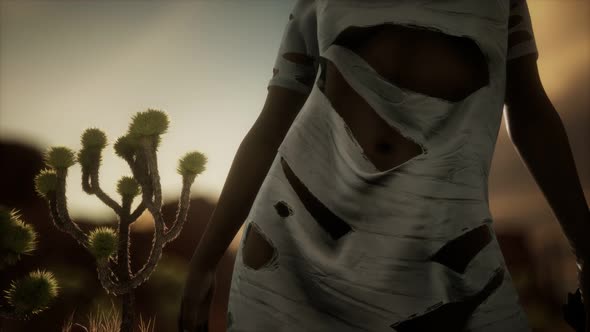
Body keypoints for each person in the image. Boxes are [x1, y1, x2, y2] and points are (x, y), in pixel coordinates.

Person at [179, 0, 590, 331]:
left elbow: (530, 112)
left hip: (449, 262)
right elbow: (272, 123)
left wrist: (586, 251)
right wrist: (204, 262)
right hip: (294, 256)